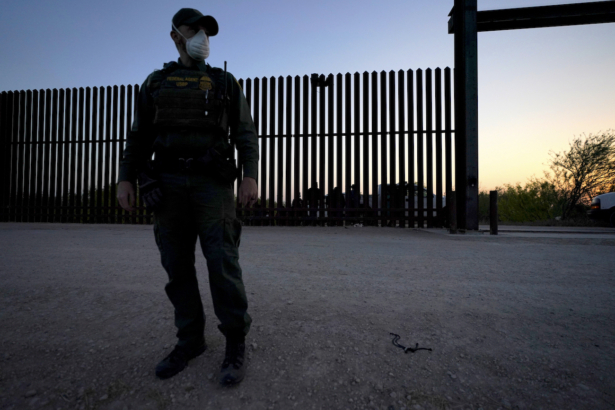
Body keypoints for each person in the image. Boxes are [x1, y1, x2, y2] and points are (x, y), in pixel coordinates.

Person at [116, 8, 259, 386]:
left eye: (206, 31)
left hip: (212, 184)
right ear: (175, 35)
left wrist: (250, 176)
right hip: (167, 184)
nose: (201, 37)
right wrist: (126, 178)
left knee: (223, 265)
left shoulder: (225, 83)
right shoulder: (155, 83)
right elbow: (139, 136)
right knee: (176, 267)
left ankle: (235, 341)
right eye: (193, 30)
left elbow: (245, 132)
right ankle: (190, 339)